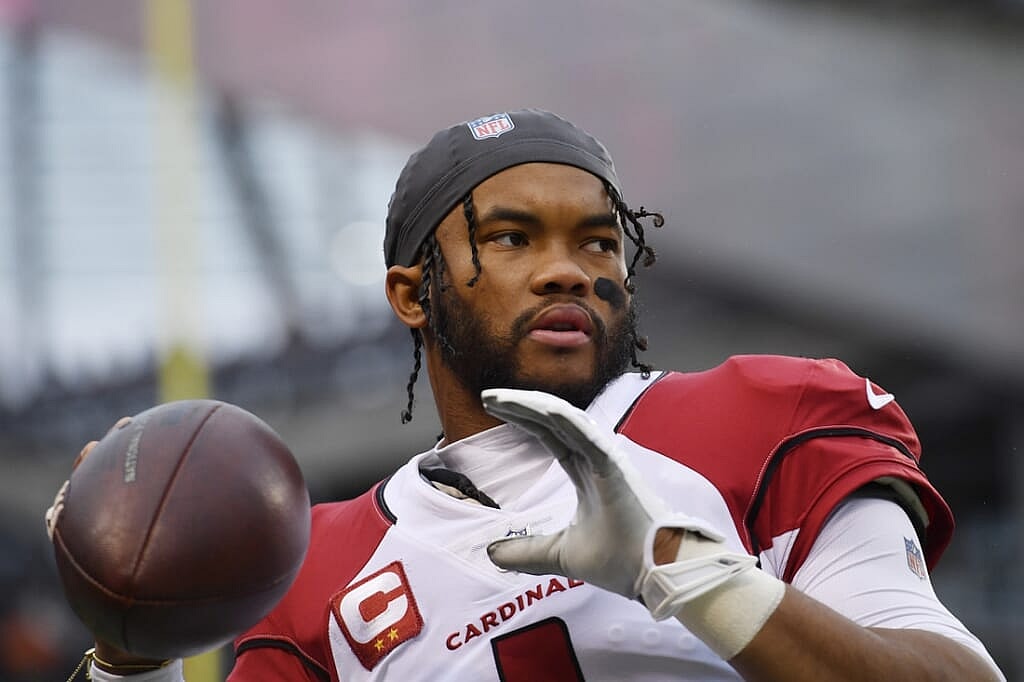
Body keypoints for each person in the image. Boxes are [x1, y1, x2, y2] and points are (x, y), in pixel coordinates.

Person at [60, 109, 1004, 681]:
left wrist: (691, 572)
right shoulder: (314, 572)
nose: (569, 271)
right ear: (409, 294)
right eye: (511, 239)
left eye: (598, 241)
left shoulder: (765, 418)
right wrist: (130, 657)